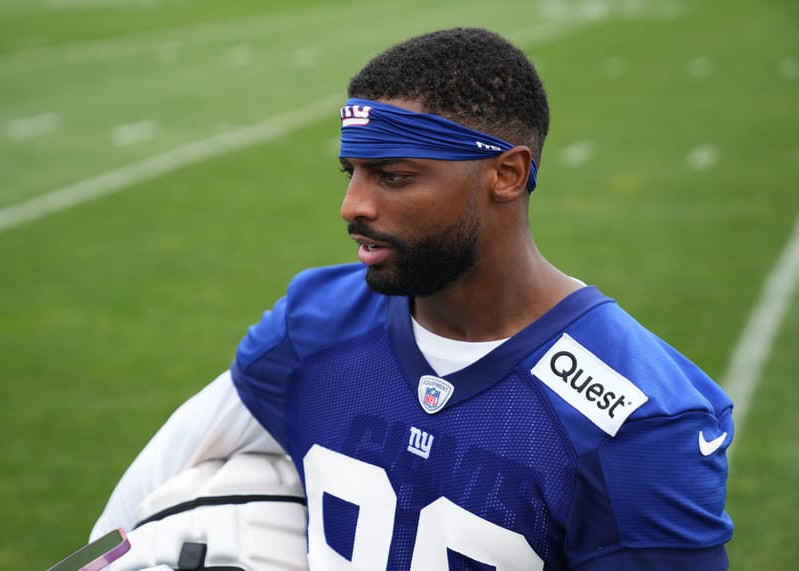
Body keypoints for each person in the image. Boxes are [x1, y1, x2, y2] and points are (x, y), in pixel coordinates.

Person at [91, 28, 734, 569]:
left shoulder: (640, 421)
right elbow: (154, 486)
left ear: (506, 174)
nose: (353, 207)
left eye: (394, 177)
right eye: (352, 173)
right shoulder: (316, 322)